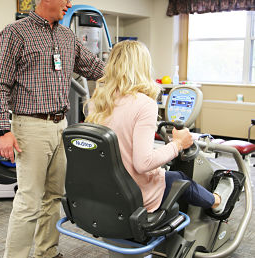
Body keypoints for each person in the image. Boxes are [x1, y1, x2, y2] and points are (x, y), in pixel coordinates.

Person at [0, 0, 105, 258]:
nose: (70, 3)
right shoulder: (15, 34)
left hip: (60, 126)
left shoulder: (67, 37)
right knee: (29, 199)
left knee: (54, 196)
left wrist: (129, 67)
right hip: (28, 126)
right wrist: (2, 130)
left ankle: (45, 253)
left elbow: (96, 69)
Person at [85, 40, 234, 216]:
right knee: (180, 179)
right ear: (143, 67)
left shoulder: (98, 102)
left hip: (105, 190)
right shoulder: (144, 104)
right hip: (133, 193)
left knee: (168, 175)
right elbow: (143, 164)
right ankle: (217, 202)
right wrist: (177, 144)